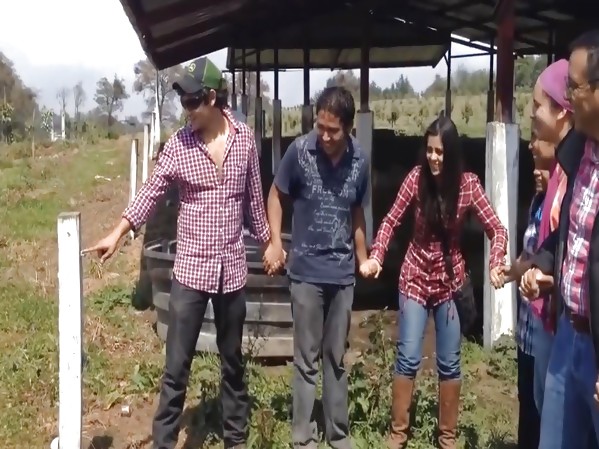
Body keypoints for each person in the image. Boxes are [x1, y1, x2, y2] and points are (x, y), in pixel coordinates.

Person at [83, 57, 270, 449]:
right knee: (176, 369)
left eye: (191, 101)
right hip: (191, 272)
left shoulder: (245, 140)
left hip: (232, 271)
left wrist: (271, 243)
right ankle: (164, 442)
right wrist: (118, 233)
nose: (186, 110)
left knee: (233, 363)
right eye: (182, 101)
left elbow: (254, 199)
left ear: (212, 98)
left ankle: (236, 440)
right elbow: (151, 192)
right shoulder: (178, 147)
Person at [361, 116, 508, 449]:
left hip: (450, 285)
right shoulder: (416, 179)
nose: (433, 157)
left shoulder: (469, 185)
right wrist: (377, 256)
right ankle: (398, 435)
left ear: (452, 153)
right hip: (414, 276)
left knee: (449, 362)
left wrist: (496, 261)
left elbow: (497, 229)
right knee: (408, 356)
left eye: (440, 152)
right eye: (429, 150)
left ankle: (447, 438)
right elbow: (390, 221)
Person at [263, 86, 369, 449]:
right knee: (306, 359)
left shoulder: (360, 160)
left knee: (335, 358)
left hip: (341, 274)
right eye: (320, 127)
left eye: (332, 130)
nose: (324, 135)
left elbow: (357, 213)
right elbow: (276, 195)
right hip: (306, 272)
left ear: (348, 128)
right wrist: (276, 242)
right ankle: (303, 437)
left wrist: (363, 258)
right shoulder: (299, 151)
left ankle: (338, 435)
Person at [520, 29, 599, 449]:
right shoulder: (578, 153)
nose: (568, 96)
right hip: (568, 334)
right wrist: (545, 264)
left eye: (575, 87)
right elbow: (569, 233)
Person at [500, 59, 574, 448]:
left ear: (563, 111)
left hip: (567, 328)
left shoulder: (575, 175)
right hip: (547, 322)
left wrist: (545, 277)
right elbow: (555, 244)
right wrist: (534, 271)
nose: (531, 114)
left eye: (537, 105)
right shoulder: (561, 179)